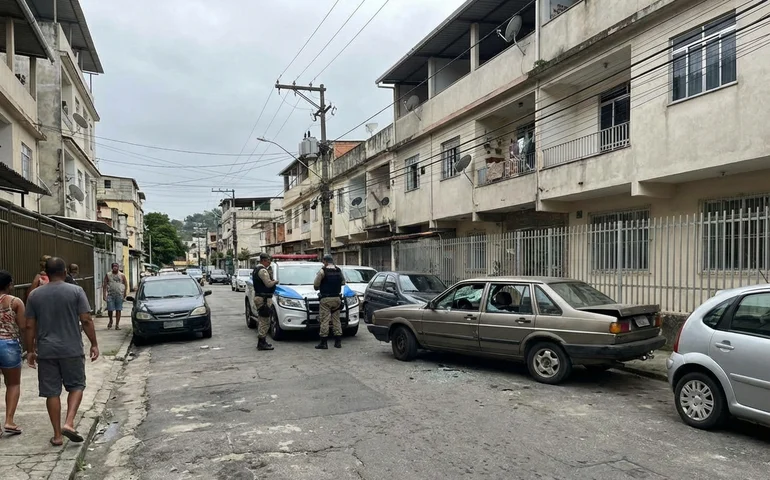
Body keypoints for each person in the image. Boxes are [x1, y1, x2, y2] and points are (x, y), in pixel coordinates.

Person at [25, 257, 99, 447]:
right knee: (76, 386)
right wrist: (94, 343)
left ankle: (57, 436)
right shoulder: (76, 291)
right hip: (71, 349)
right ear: (65, 273)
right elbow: (86, 319)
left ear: (46, 273)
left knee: (52, 392)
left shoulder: (35, 295)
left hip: (46, 350)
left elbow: (29, 325)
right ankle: (69, 422)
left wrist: (30, 350)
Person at [0, 270, 26, 436]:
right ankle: (9, 420)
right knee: (13, 384)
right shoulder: (15, 302)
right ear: (9, 284)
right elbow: (24, 326)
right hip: (9, 344)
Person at [313, 254, 346, 350]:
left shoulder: (323, 271)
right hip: (337, 299)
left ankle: (323, 343)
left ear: (325, 261)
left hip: (326, 299)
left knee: (325, 320)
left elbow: (316, 284)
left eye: (323, 261)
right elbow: (343, 282)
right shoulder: (338, 270)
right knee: (336, 320)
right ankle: (338, 342)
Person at [252, 253, 278, 351]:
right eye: (268, 260)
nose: (269, 262)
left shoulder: (256, 269)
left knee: (263, 319)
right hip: (263, 298)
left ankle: (262, 341)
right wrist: (275, 282)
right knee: (265, 320)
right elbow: (268, 284)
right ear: (263, 260)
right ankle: (261, 342)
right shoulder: (262, 270)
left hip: (260, 297)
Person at [102, 263, 128, 330]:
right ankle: (111, 320)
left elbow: (125, 284)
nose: (115, 268)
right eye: (114, 266)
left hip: (119, 294)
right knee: (110, 309)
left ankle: (117, 324)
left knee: (118, 309)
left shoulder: (122, 275)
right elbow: (104, 285)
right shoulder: (108, 275)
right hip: (110, 294)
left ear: (118, 267)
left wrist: (125, 294)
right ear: (112, 267)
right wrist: (104, 295)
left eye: (116, 266)